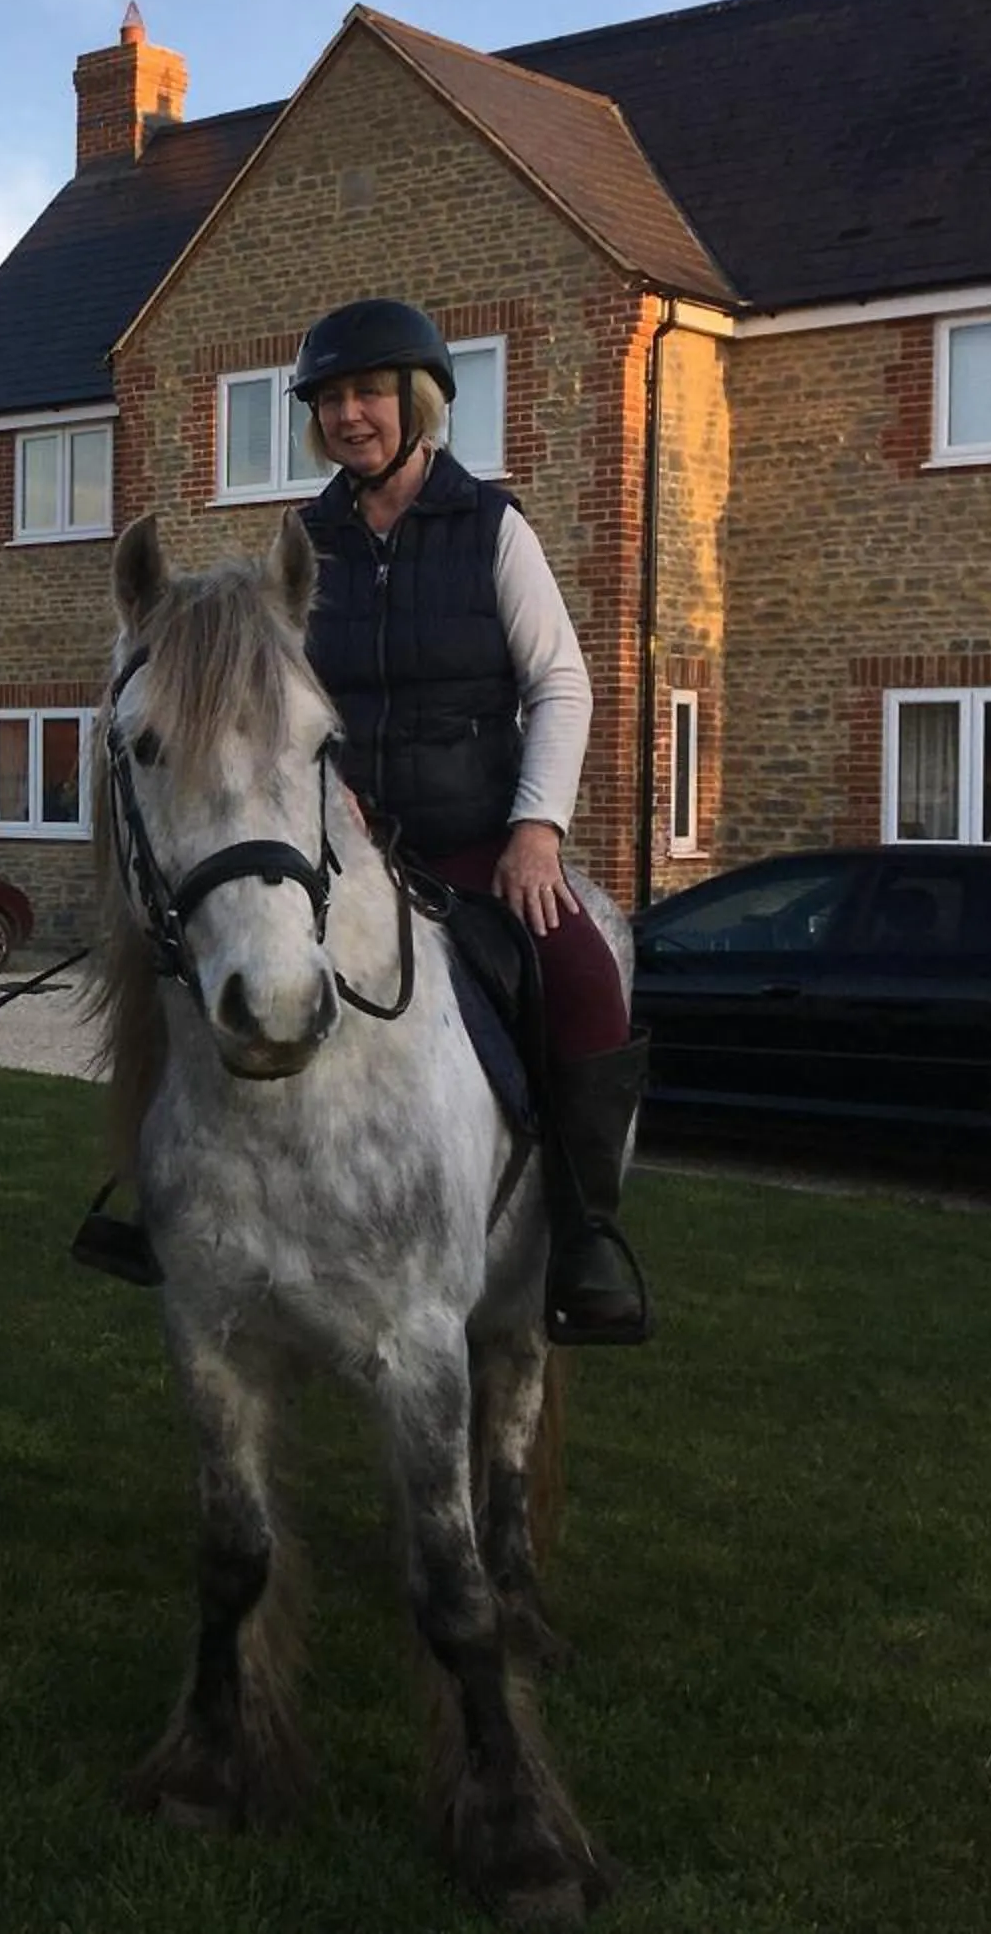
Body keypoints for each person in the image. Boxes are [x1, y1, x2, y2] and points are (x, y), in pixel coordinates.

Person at [289, 298, 652, 1346]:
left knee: (582, 975)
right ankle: (180, 1206)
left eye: (367, 393)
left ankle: (586, 1236)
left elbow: (561, 683)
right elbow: (282, 700)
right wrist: (325, 789)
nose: (349, 415)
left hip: (477, 843)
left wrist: (538, 828)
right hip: (346, 853)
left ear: (419, 404)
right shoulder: (303, 544)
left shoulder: (493, 527)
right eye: (330, 400)